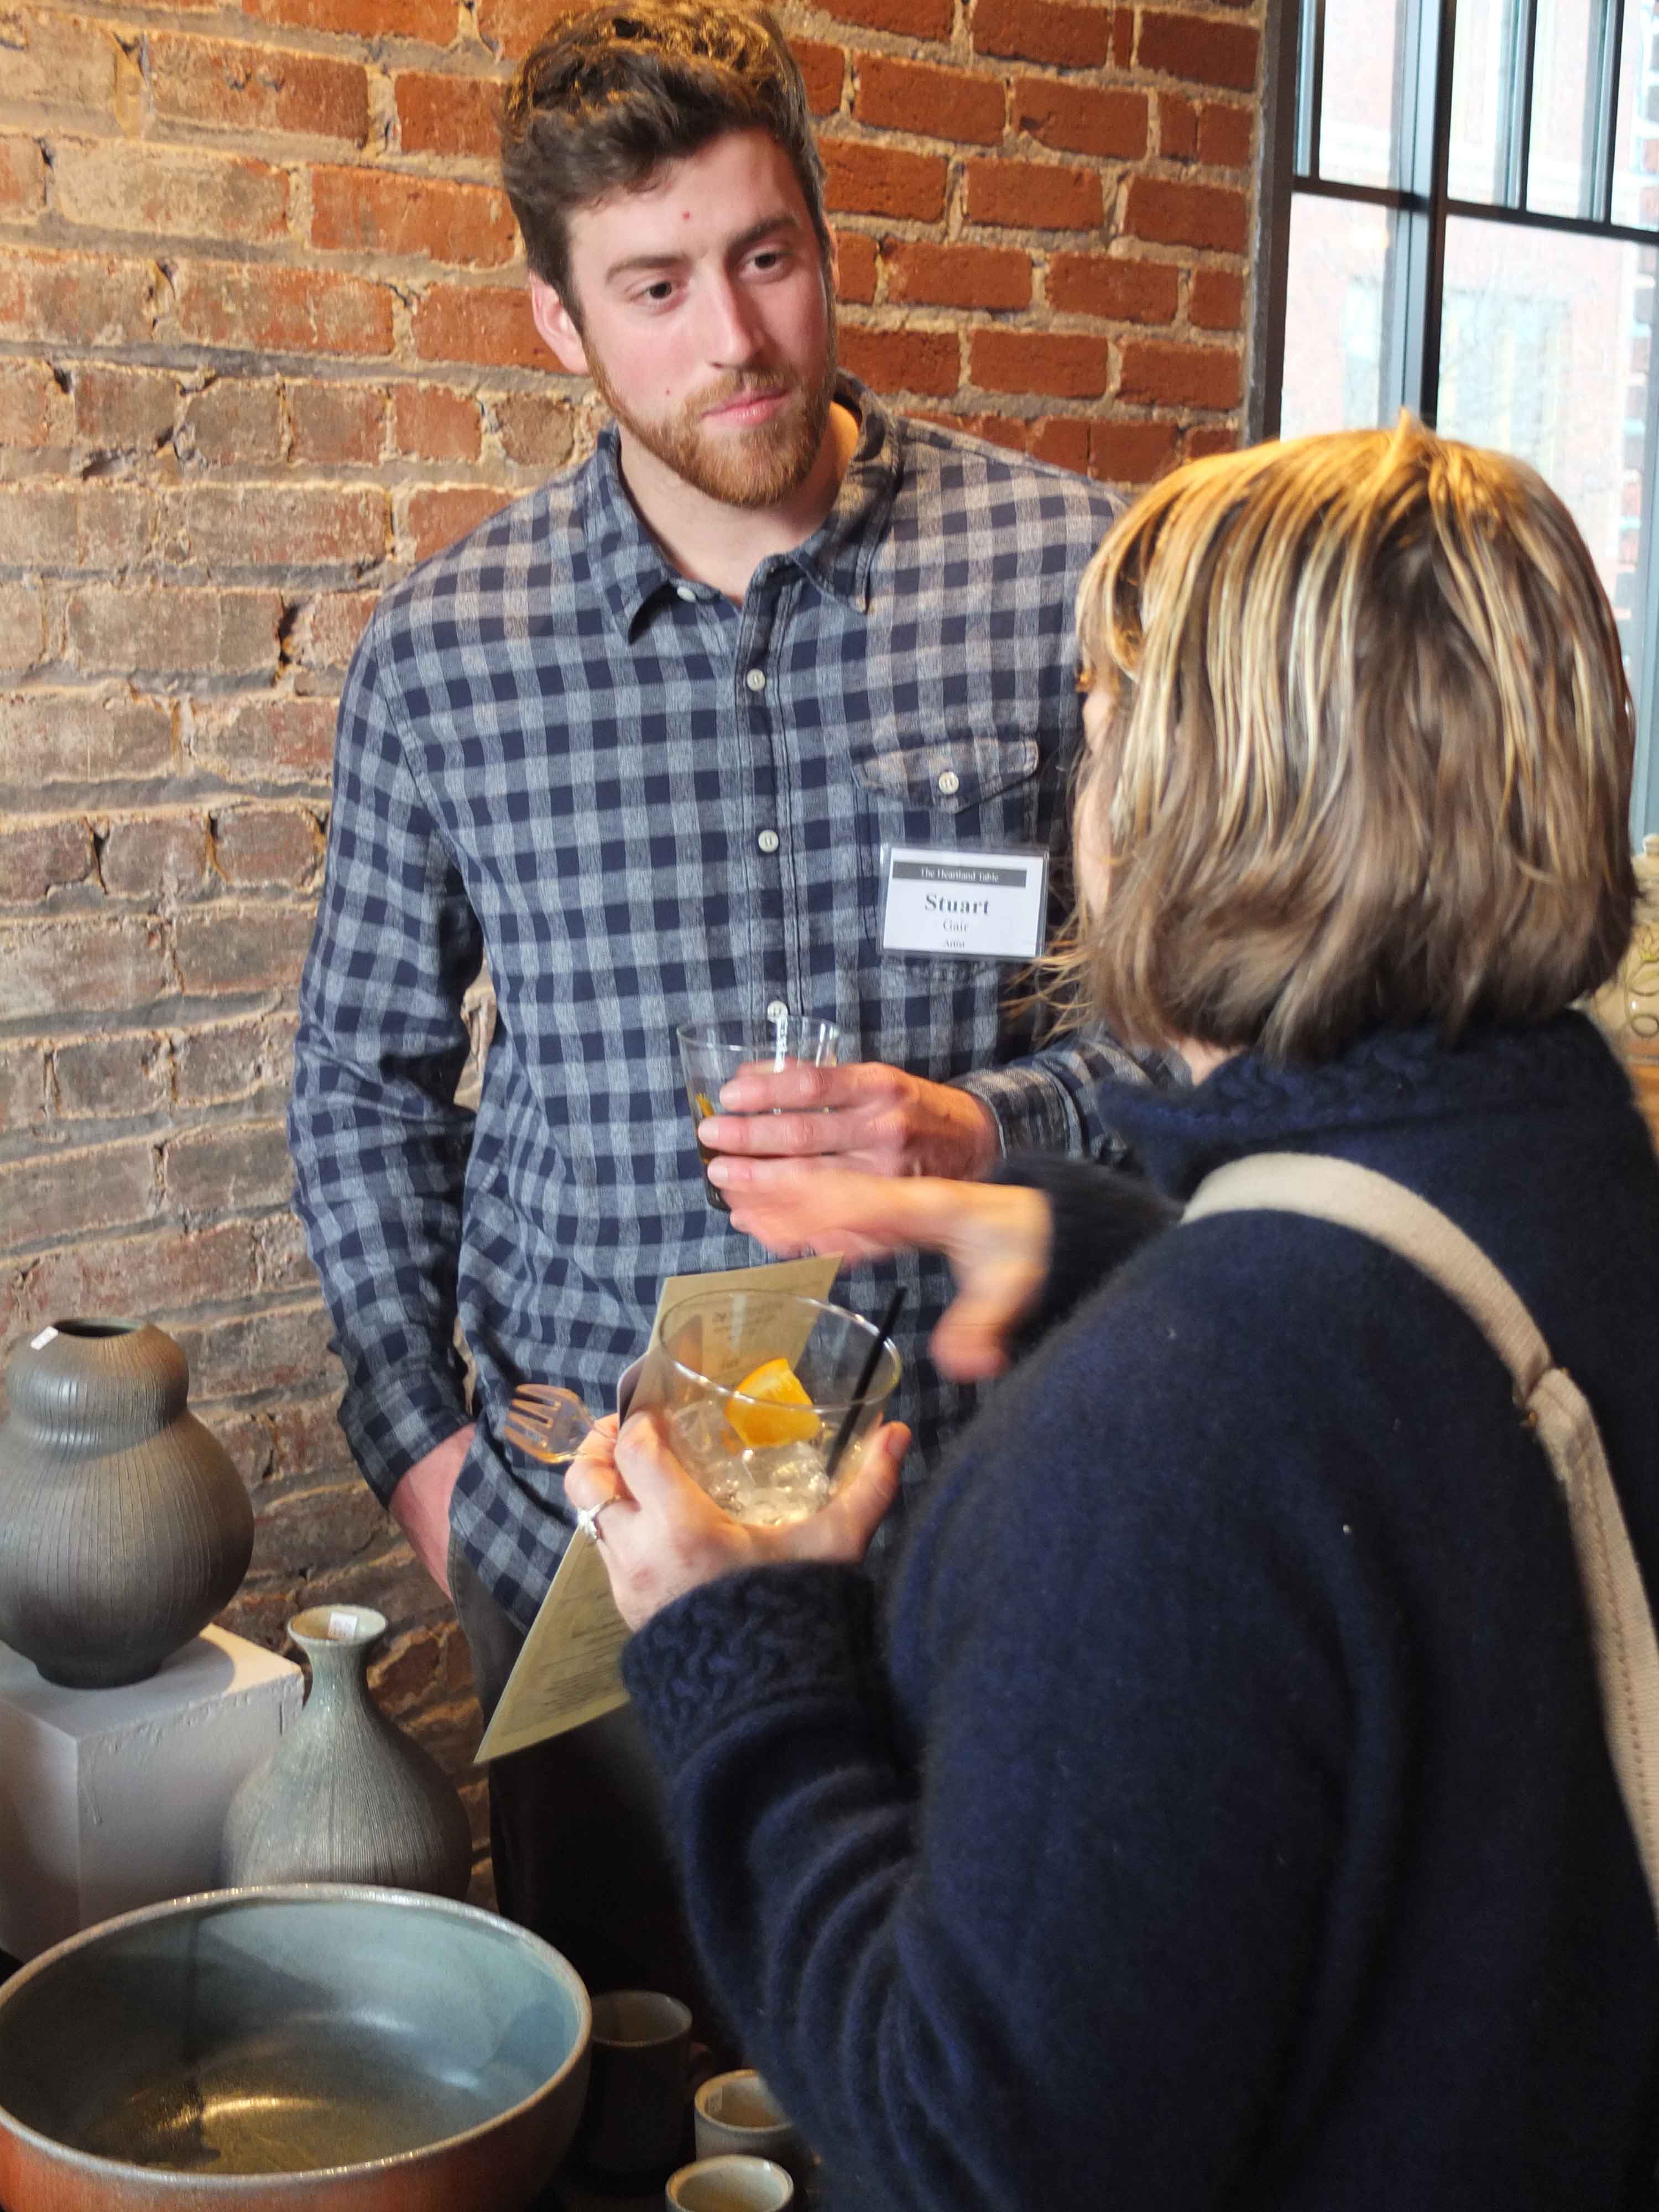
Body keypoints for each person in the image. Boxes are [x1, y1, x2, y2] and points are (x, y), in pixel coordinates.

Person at [567, 418, 1659, 2209]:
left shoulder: (1174, 1427)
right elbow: (1387, 1400)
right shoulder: (1567, 1168)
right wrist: (1082, 1236)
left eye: (1098, 730)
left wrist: (738, 1646)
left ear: (1187, 797)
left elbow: (975, 2142)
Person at [286, 0, 1164, 2008]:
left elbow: (1193, 1037)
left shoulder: (1062, 574)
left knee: (995, 2087)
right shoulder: (447, 660)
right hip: (605, 1544)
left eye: (769, 258)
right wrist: (426, 1463)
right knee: (632, 2077)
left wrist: (979, 1129)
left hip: (996, 1510)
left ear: (828, 239)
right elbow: (363, 1085)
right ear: (559, 326)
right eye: (657, 287)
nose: (736, 340)